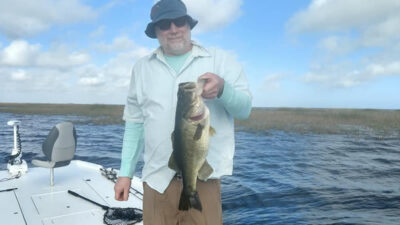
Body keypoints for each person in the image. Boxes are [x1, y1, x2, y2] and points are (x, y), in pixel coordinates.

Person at [114, 0, 252, 224]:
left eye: (179, 22)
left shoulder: (219, 60)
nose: (173, 29)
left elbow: (245, 110)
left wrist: (223, 89)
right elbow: (135, 123)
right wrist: (125, 174)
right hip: (156, 182)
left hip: (204, 182)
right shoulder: (141, 68)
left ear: (188, 25)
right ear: (156, 32)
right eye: (164, 25)